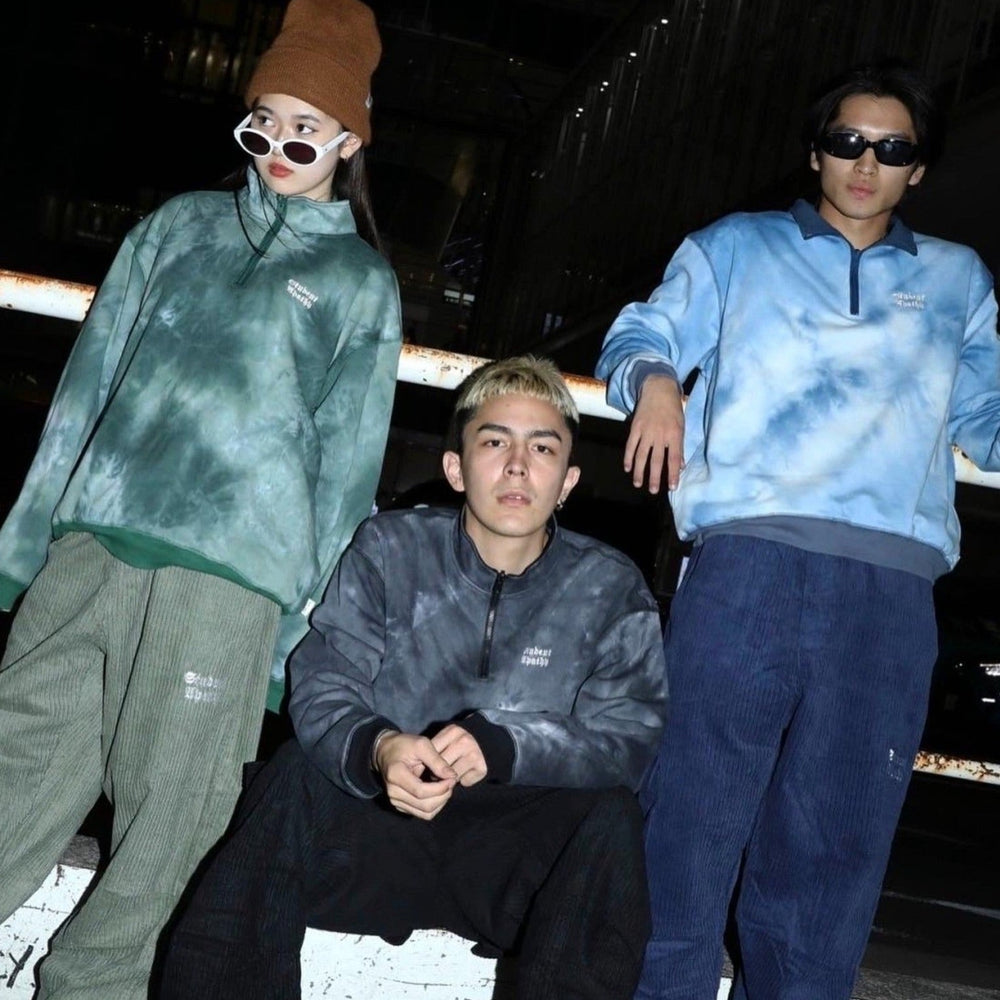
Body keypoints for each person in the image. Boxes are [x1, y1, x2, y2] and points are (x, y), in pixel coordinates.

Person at [0, 1, 401, 997]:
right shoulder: (176, 227)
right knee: (18, 760)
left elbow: (347, 475)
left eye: (306, 129)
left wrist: (299, 640)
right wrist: (24, 545)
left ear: (349, 141)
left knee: (172, 814)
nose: (279, 147)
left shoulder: (359, 283)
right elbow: (84, 390)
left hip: (229, 585)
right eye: (263, 124)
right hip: (94, 544)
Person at [595, 61, 1000, 1000]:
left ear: (918, 170)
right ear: (817, 152)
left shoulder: (957, 280)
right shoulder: (736, 247)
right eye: (848, 141)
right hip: (747, 565)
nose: (866, 162)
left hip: (889, 591)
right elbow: (639, 336)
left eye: (892, 149)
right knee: (688, 814)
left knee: (836, 841)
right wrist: (657, 382)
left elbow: (987, 419)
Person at [156, 355, 667, 1000]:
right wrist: (378, 748)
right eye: (494, 442)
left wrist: (507, 744)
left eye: (542, 448)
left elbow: (629, 738)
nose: (517, 466)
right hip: (382, 829)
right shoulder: (391, 546)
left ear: (567, 481)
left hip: (512, 865)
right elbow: (324, 680)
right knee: (291, 777)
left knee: (612, 820)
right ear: (456, 468)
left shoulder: (609, 586)